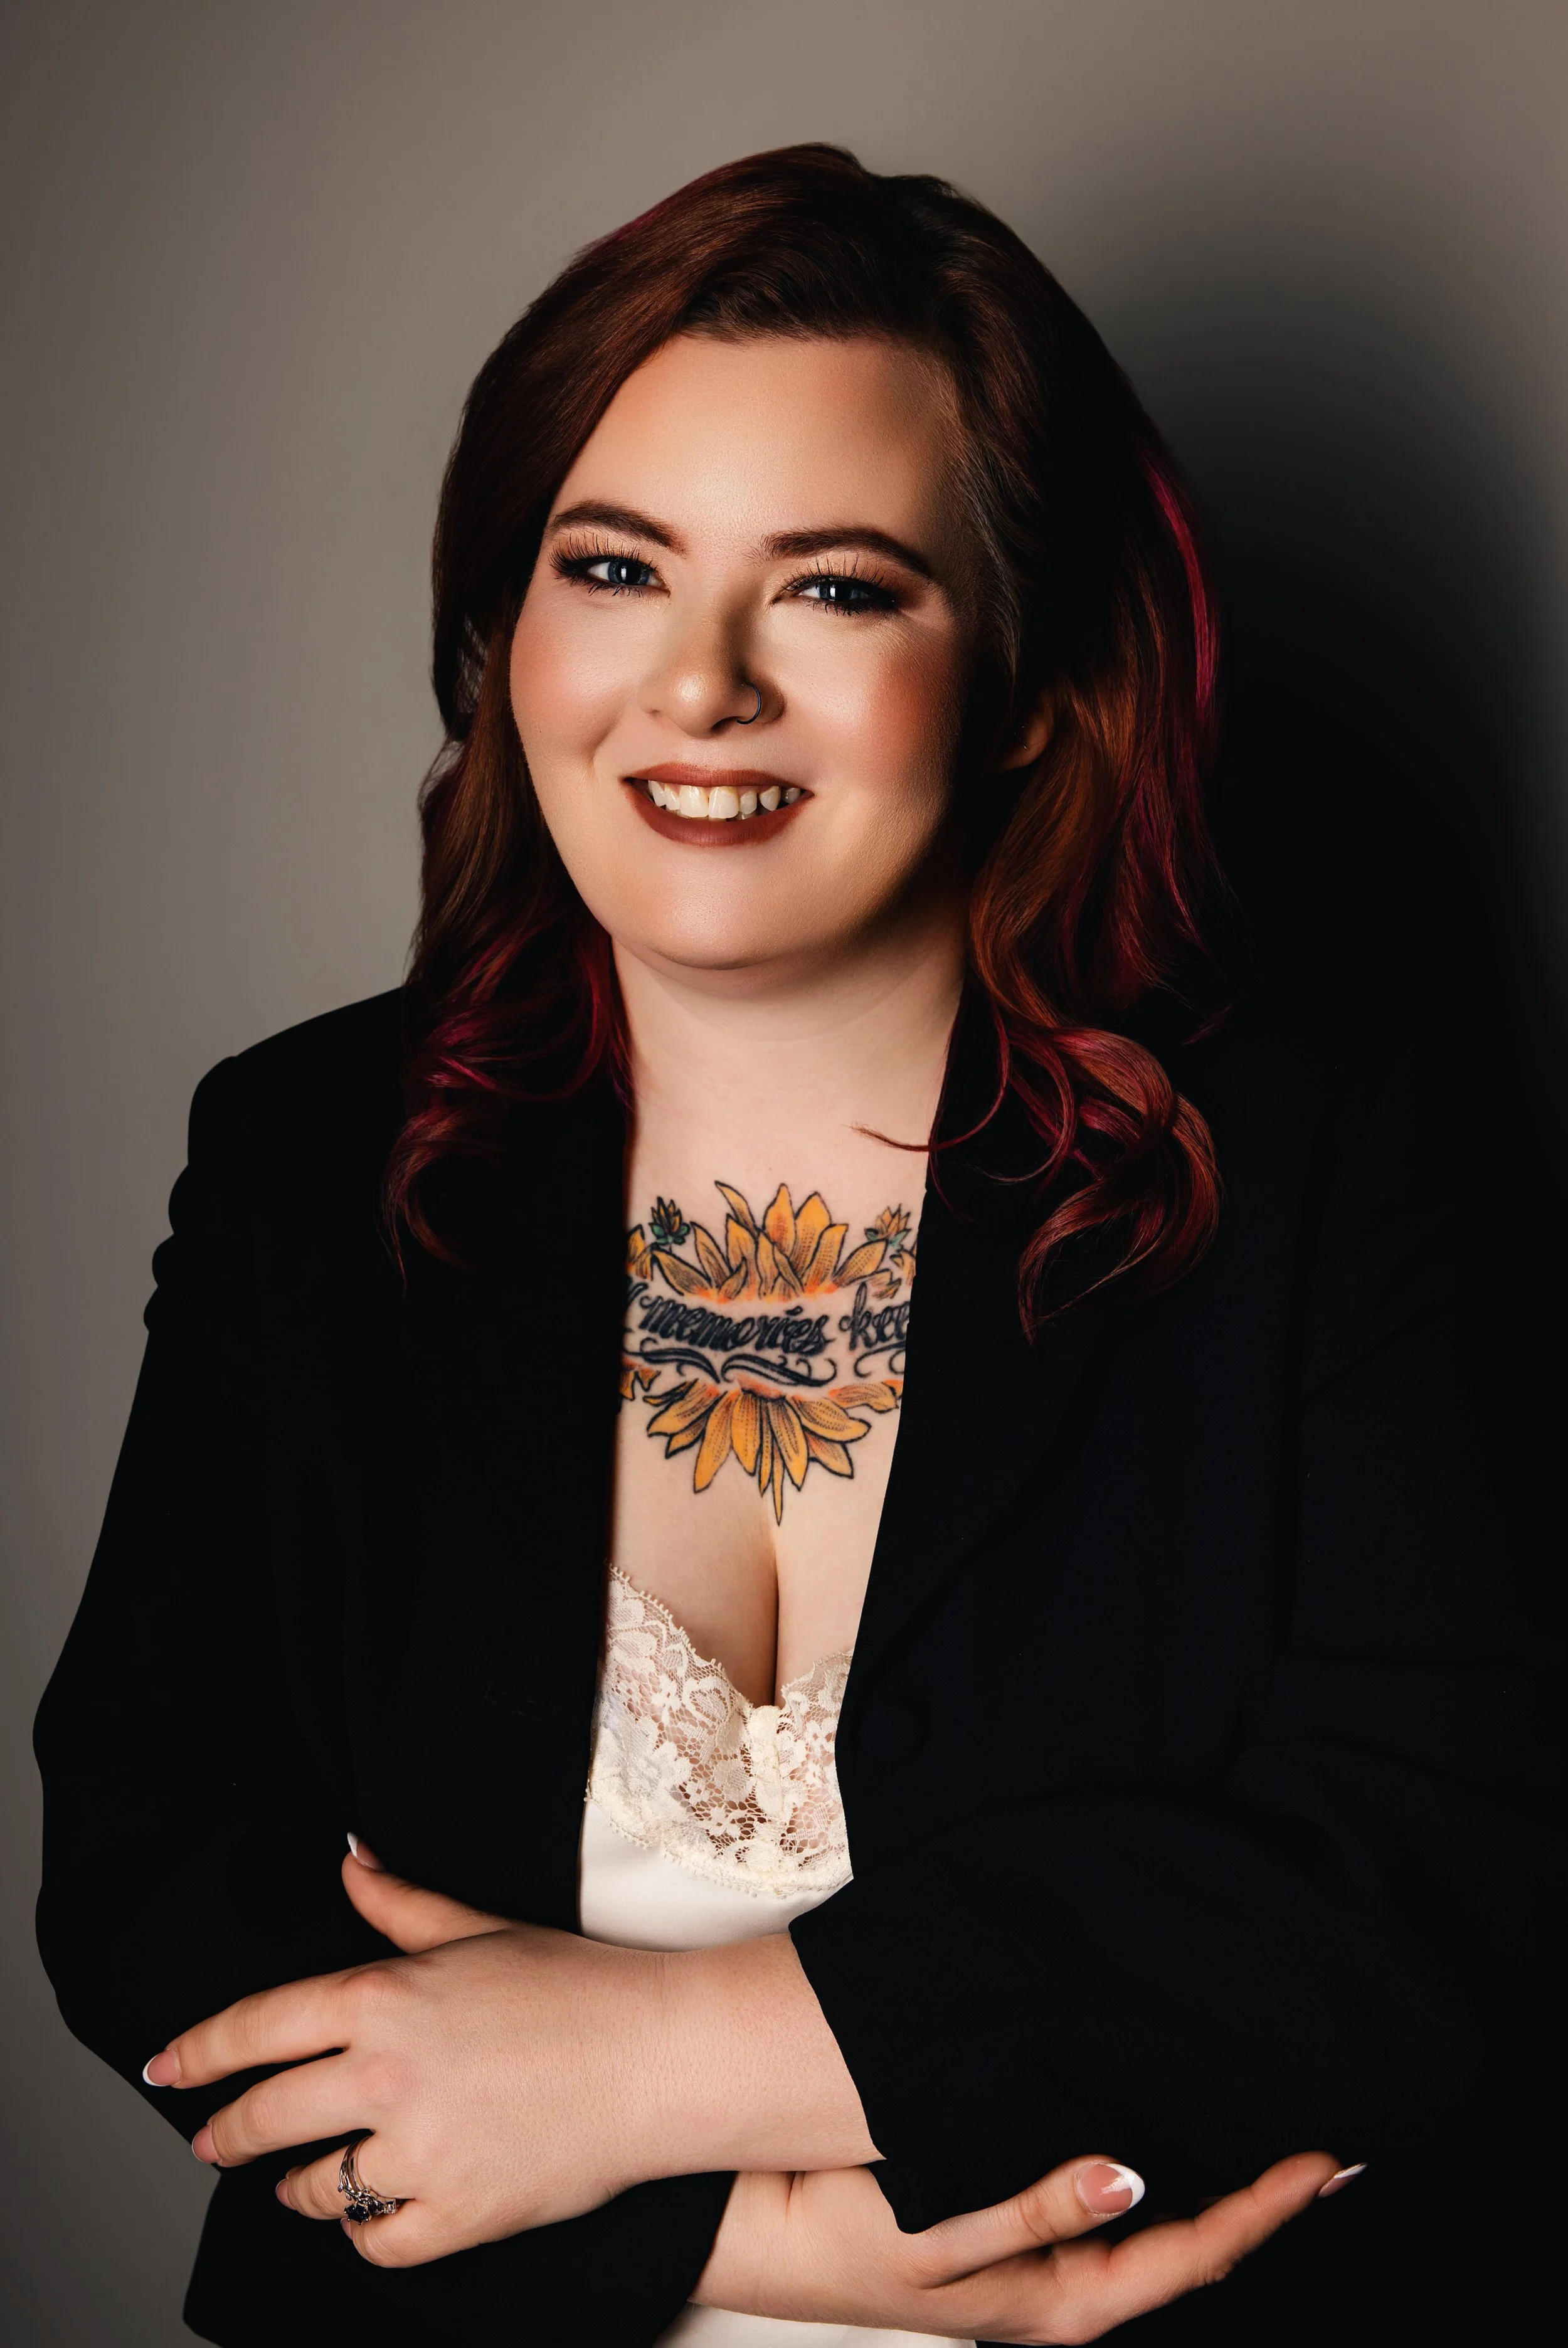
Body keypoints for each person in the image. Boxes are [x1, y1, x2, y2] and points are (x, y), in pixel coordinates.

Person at [34, 145, 1548, 2347]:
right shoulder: (300, 1149)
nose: (701, 687)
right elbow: (155, 1878)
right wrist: (713, 2243)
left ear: (1027, 674)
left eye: (836, 589)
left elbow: (1433, 1878)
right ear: (512, 618)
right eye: (615, 566)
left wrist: (650, 2062)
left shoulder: (1320, 1148)